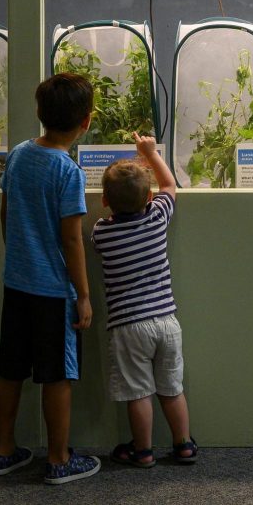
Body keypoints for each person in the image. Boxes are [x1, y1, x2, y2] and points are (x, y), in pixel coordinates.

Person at [0, 72, 101, 485]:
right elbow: (72, 240)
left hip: (16, 282)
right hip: (54, 292)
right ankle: (58, 459)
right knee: (58, 374)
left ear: (40, 113)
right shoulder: (68, 171)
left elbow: (5, 212)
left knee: (10, 369)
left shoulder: (18, 154)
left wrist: (17, 254)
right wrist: (84, 296)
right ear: (86, 121)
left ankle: (3, 452)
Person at [91, 133, 197, 468]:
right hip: (166, 320)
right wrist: (149, 153)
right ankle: (183, 445)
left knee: (138, 392)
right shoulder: (156, 219)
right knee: (171, 388)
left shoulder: (101, 233)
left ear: (105, 200)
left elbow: (99, 237)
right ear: (148, 198)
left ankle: (144, 450)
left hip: (128, 326)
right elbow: (170, 186)